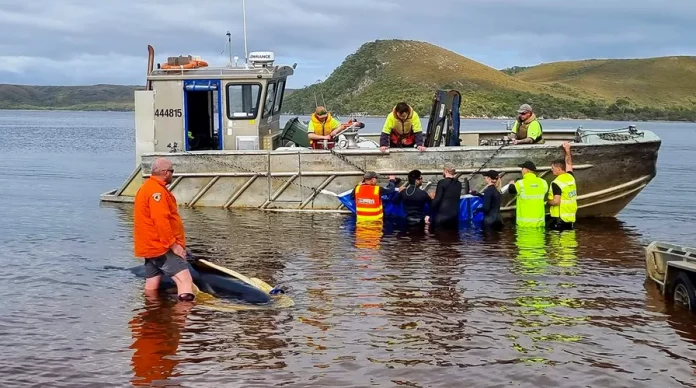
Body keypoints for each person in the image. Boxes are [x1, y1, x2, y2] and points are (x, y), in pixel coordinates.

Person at [133, 157, 195, 302]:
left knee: (152, 284)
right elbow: (161, 221)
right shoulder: (157, 193)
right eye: (172, 171)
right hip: (161, 247)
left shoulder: (146, 187)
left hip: (149, 247)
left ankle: (150, 315)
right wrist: (174, 246)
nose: (173, 174)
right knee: (185, 280)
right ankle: (182, 320)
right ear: (166, 172)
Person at [507, 161, 548, 228]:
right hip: (539, 224)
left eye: (522, 168)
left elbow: (511, 190)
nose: (521, 171)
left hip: (524, 225)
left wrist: (511, 184)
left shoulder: (520, 183)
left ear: (527, 170)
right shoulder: (543, 182)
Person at [547, 142, 577, 230]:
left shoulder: (557, 183)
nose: (552, 170)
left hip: (559, 219)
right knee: (569, 241)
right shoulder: (570, 177)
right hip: (570, 218)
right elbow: (568, 164)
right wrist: (567, 151)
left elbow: (556, 201)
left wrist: (547, 203)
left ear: (559, 169)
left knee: (556, 242)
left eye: (553, 168)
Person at [430, 163, 462, 229]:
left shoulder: (442, 182)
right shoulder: (459, 184)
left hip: (442, 216)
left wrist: (429, 210)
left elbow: (437, 200)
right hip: (454, 217)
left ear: (446, 171)